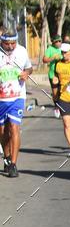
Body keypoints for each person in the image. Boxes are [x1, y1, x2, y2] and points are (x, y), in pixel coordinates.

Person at [0, 28, 32, 177]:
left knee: (14, 127)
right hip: (1, 98)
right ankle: (6, 158)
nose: (11, 46)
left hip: (18, 96)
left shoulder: (22, 51)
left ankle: (13, 164)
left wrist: (26, 73)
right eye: (7, 44)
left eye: (13, 43)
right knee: (2, 132)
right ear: (2, 42)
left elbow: (29, 67)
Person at [43, 34, 63, 117]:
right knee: (55, 93)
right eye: (56, 41)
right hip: (53, 75)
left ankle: (63, 107)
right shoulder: (50, 49)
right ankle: (56, 107)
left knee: (62, 92)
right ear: (53, 42)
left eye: (60, 41)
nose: (58, 43)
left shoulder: (63, 48)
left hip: (63, 74)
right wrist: (53, 58)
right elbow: (44, 60)